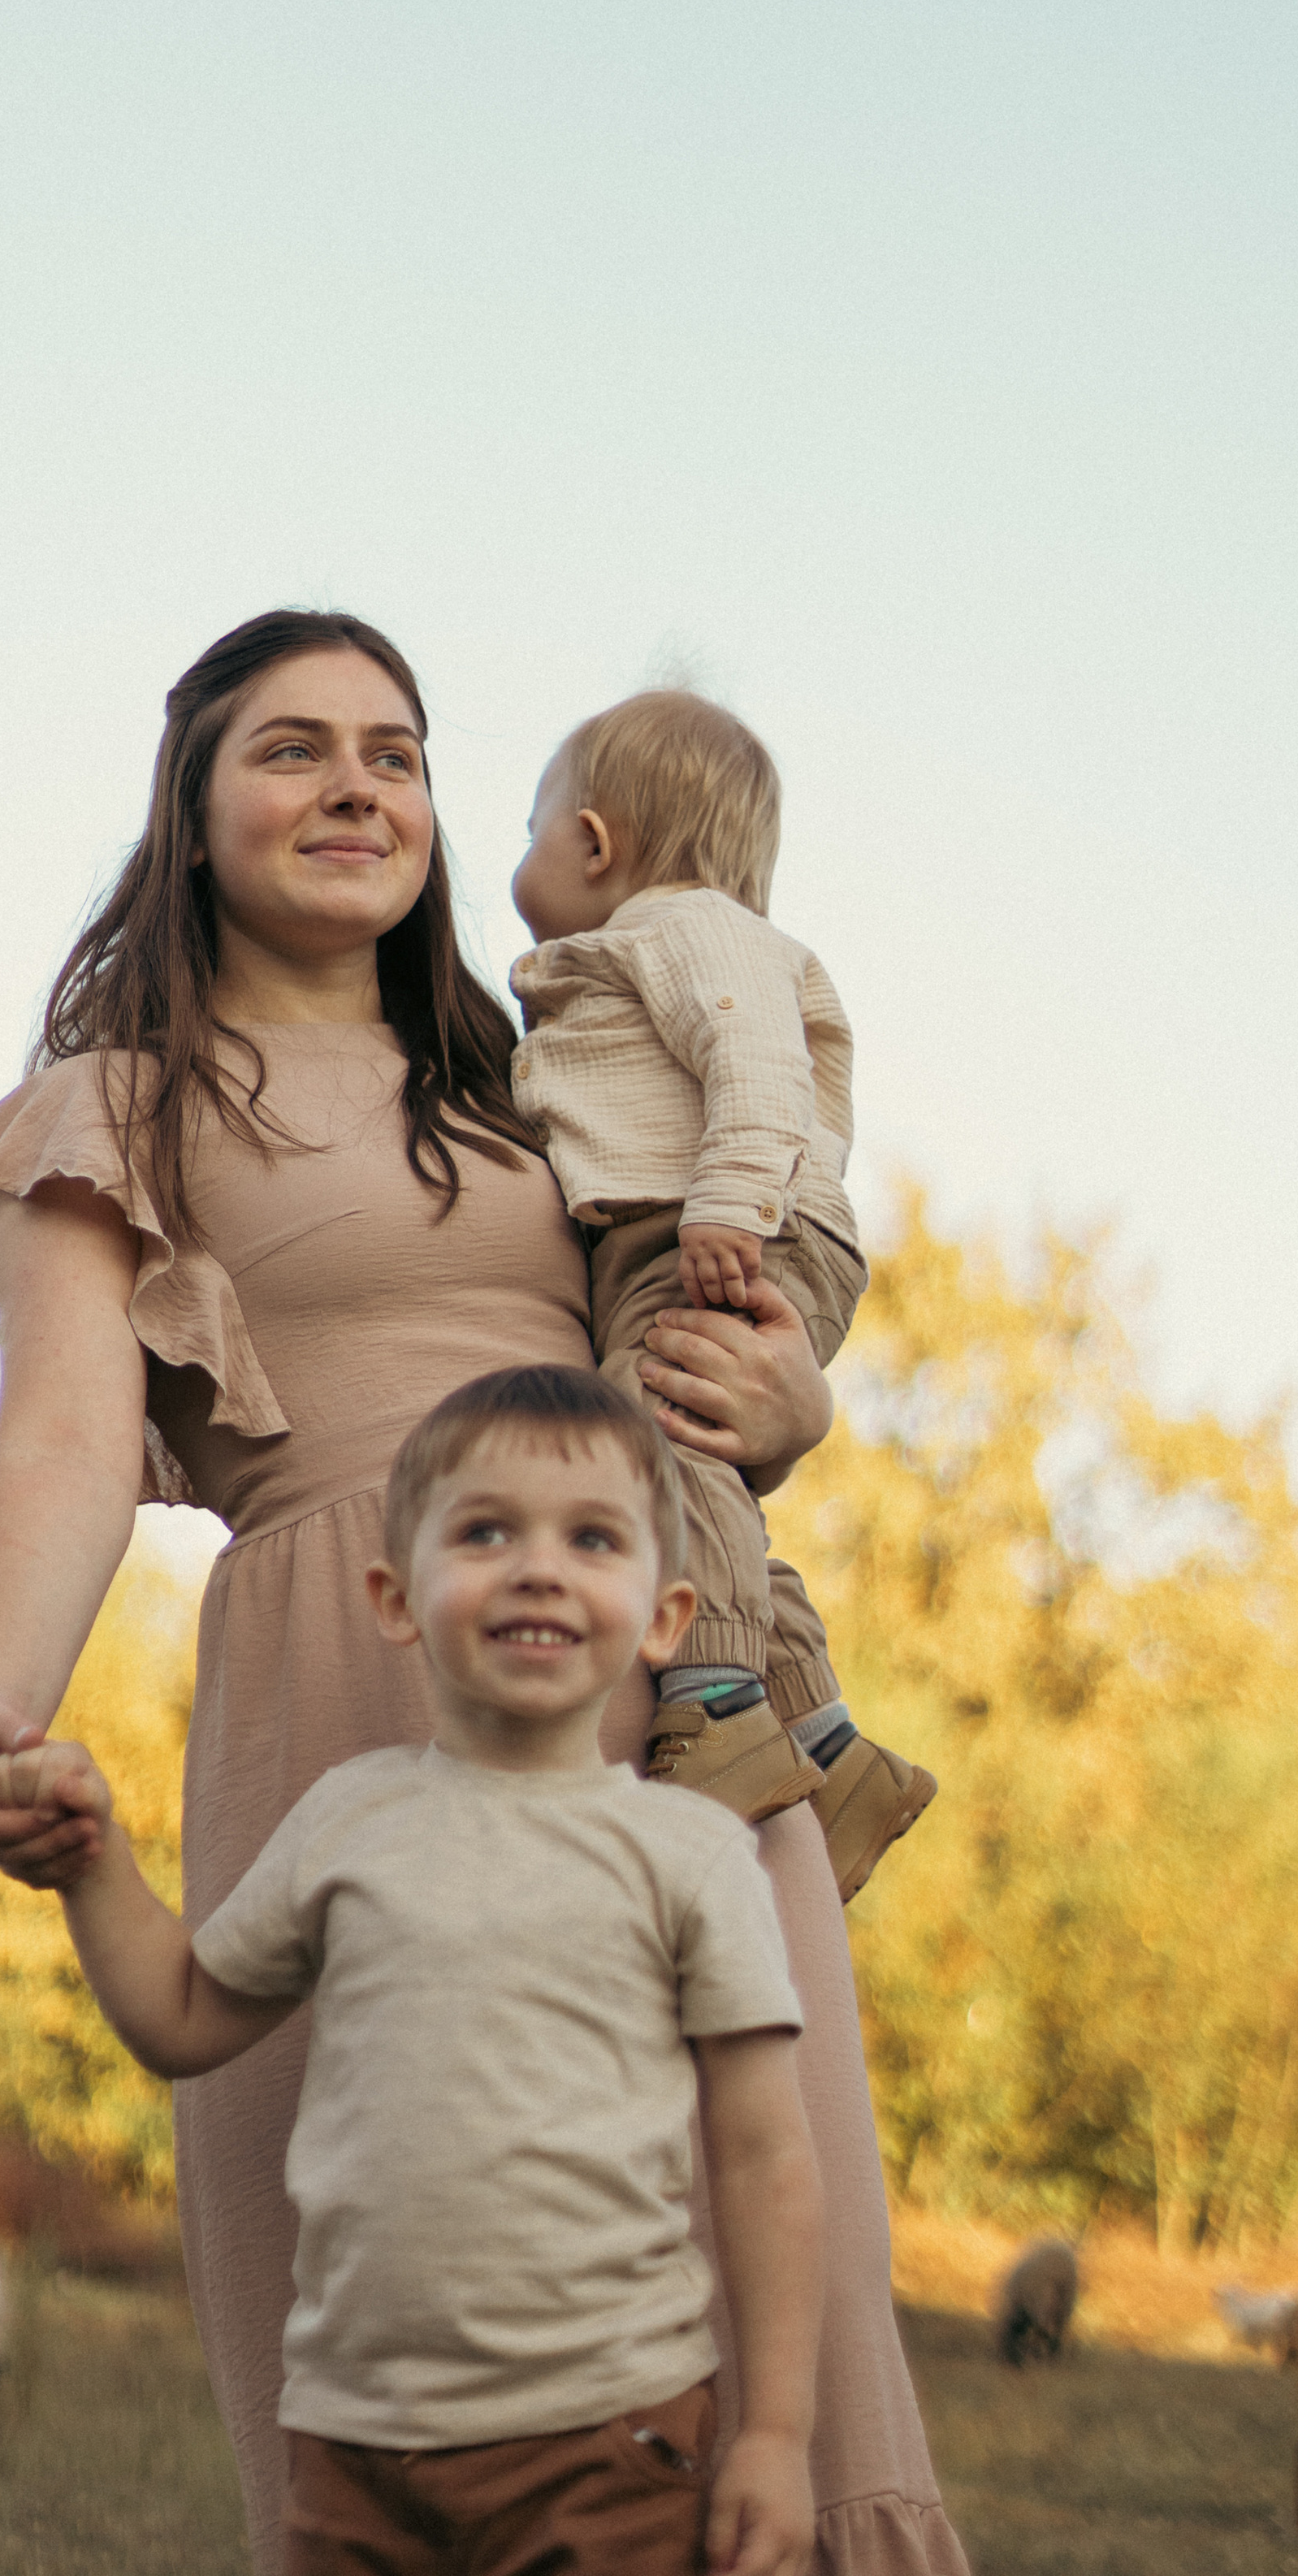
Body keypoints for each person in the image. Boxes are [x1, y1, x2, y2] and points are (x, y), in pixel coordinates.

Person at [0, 607, 969, 2576]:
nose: (355, 788)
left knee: (768, 2245)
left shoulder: (535, 1076)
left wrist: (790, 1402)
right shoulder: (118, 1105)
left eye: (394, 755)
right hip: (347, 1669)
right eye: (294, 749)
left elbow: (710, 1304)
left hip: (651, 1701)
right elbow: (62, 1438)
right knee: (394, 2266)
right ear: (193, 805)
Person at [0, 1365, 824, 2576]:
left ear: (664, 1618)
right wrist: (90, 1864)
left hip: (607, 2436)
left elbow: (764, 2157)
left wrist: (777, 2435)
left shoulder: (690, 1855)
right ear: (395, 1597)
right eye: (485, 1533)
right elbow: (181, 2014)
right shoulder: (349, 1820)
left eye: (592, 1539)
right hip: (356, 2446)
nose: (538, 1569)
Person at [508, 691, 936, 1894]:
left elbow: (754, 1059)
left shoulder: (688, 928)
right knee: (690, 1475)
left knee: (649, 1446)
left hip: (721, 1227)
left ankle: (714, 1698)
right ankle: (829, 1747)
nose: (522, 856)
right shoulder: (653, 944)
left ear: (594, 841)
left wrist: (727, 1203)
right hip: (698, 1226)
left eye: (532, 829)